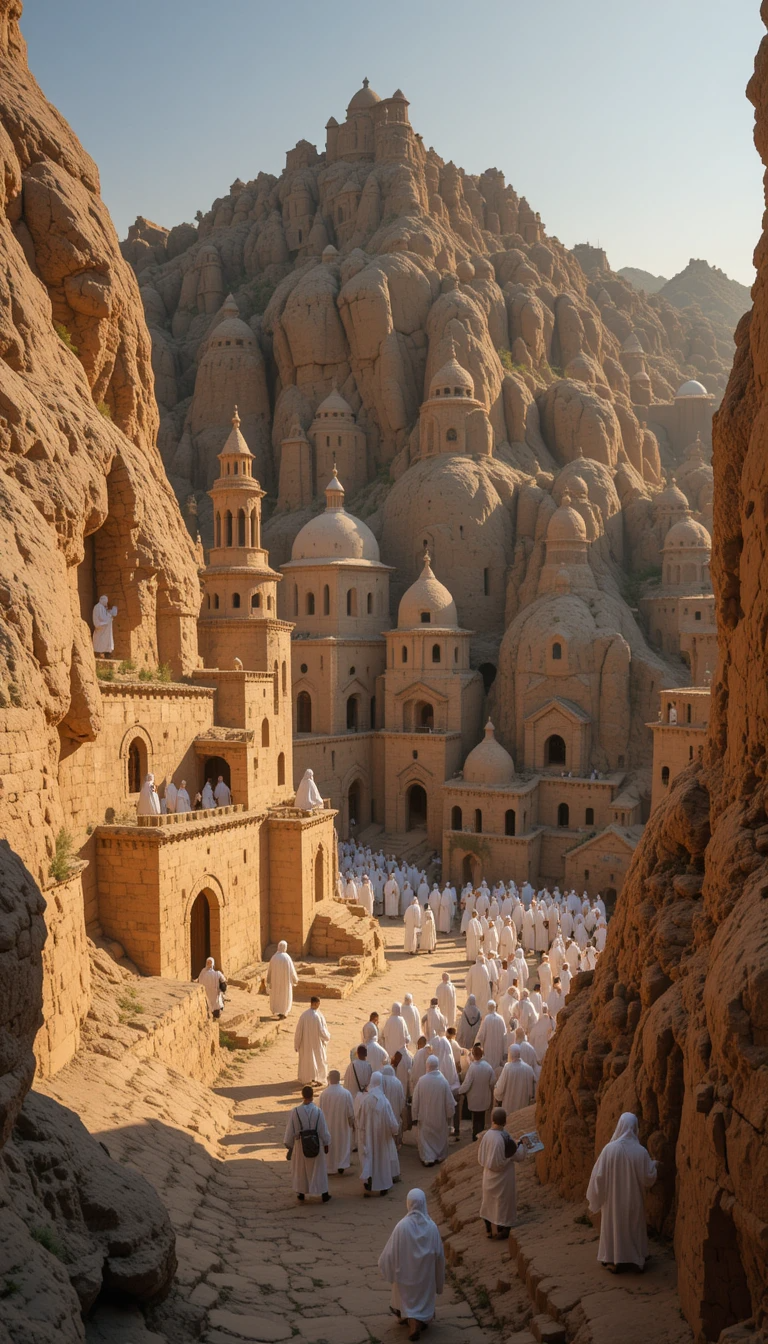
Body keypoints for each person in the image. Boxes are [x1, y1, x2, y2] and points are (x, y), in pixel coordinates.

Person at [586, 1113, 658, 1271]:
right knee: (633, 1227)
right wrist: (654, 1165)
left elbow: (599, 1176)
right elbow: (648, 1177)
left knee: (615, 1227)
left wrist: (598, 1195)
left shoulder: (609, 1150)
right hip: (634, 1200)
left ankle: (614, 1260)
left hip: (612, 1201)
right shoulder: (640, 1151)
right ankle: (636, 1259)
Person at [378, 1188, 445, 1342]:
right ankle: (418, 1319)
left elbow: (387, 1255)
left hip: (405, 1281)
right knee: (424, 1301)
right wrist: (438, 1281)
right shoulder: (432, 1227)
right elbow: (439, 1256)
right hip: (425, 1282)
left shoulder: (401, 1226)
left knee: (401, 1290)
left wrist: (390, 1271)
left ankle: (410, 1318)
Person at [478, 1108, 529, 1238]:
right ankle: (502, 1230)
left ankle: (489, 1229)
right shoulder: (505, 1137)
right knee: (503, 1204)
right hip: (504, 1178)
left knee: (489, 1202)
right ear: (505, 1122)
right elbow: (518, 1156)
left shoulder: (487, 1136)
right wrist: (523, 1145)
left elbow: (482, 1156)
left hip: (488, 1176)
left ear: (492, 1120)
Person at [284, 1085, 331, 1203]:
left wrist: (289, 1144)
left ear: (302, 1095)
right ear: (312, 1095)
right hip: (316, 1144)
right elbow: (323, 1130)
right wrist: (326, 1142)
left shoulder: (295, 1111)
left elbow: (290, 1130)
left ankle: (301, 1192)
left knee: (301, 1169)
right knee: (318, 1169)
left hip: (300, 1145)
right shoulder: (318, 1112)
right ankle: (324, 1193)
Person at [358, 1072, 400, 1197]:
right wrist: (395, 1132)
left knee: (369, 1158)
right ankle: (383, 1185)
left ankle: (370, 1181)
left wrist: (362, 1136)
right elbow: (392, 1122)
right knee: (382, 1160)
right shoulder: (384, 1101)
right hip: (382, 1138)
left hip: (368, 1137)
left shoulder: (365, 1101)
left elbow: (360, 1121)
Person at [411, 1056, 456, 1167]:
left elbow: (415, 1101)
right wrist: (450, 1115)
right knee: (439, 1138)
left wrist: (414, 1116)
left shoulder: (421, 1081)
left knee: (426, 1139)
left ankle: (428, 1158)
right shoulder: (443, 1081)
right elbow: (450, 1103)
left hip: (425, 1118)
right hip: (440, 1118)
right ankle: (440, 1156)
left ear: (427, 1065)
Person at [318, 1070, 355, 1175]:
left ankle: (330, 1165)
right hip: (342, 1125)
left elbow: (320, 1111)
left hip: (328, 1125)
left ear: (329, 1079)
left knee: (330, 1145)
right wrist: (351, 1123)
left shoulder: (324, 1094)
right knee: (342, 1144)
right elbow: (350, 1111)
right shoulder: (345, 1093)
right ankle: (341, 1164)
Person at [458, 1043, 496, 1140]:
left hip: (474, 1100)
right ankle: (481, 1138)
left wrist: (459, 1091)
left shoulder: (472, 1068)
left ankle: (475, 1139)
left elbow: (467, 1084)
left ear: (473, 1055)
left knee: (475, 1120)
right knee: (481, 1119)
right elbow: (492, 1081)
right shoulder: (488, 1066)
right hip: (484, 1099)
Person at [294, 996, 330, 1086]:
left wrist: (297, 1044)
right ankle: (319, 1079)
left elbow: (298, 1031)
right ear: (315, 1003)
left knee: (307, 1062)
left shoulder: (304, 1015)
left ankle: (307, 1079)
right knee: (319, 1061)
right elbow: (322, 1031)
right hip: (317, 1044)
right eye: (318, 1003)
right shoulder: (318, 1016)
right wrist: (327, 1037)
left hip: (305, 1045)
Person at [494, 1045, 535, 1114]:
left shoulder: (507, 1068)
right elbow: (531, 1093)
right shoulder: (528, 1068)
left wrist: (495, 1091)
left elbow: (500, 1089)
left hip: (509, 1108)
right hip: (523, 1107)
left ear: (510, 1055)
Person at [267, 940, 298, 1018]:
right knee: (284, 997)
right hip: (285, 983)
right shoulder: (287, 958)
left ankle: (276, 1010)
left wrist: (268, 980)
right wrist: (295, 979)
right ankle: (283, 1012)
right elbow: (292, 971)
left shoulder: (274, 958)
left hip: (275, 983)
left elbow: (269, 970)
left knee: (276, 996)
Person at [476, 1000, 506, 1072]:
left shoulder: (486, 1019)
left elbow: (481, 1035)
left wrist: (479, 1044)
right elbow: (504, 1034)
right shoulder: (501, 1019)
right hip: (498, 1046)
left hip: (488, 1046)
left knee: (489, 1065)